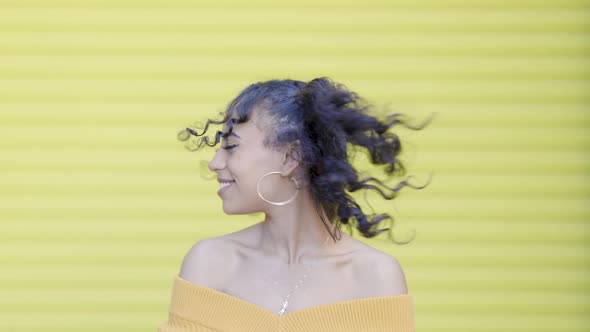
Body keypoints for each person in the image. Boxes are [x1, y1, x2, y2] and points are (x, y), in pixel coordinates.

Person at [158, 77, 431, 331]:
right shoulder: (209, 262)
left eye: (231, 147)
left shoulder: (375, 276)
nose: (214, 163)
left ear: (291, 157)